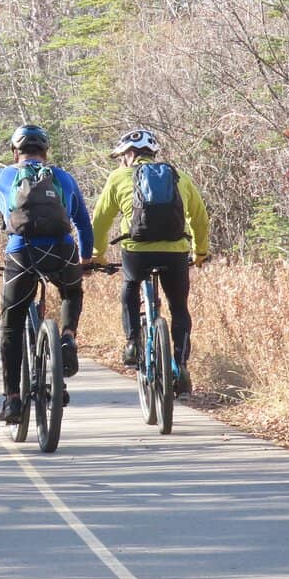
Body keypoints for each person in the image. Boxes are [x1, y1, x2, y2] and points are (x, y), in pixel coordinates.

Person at [0, 124, 94, 424]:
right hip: (62, 251)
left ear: (14, 152)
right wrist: (85, 258)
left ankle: (11, 400)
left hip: (21, 253)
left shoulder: (3, 177)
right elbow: (83, 223)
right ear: (45, 153)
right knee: (72, 291)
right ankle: (67, 336)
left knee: (11, 326)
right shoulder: (62, 177)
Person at [89, 129, 210, 396]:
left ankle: (132, 342)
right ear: (152, 154)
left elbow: (100, 220)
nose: (121, 161)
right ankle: (180, 366)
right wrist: (200, 252)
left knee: (130, 287)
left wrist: (96, 254)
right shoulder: (178, 177)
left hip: (136, 250)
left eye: (121, 156)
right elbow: (199, 217)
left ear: (129, 155)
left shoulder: (118, 177)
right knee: (179, 307)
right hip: (175, 251)